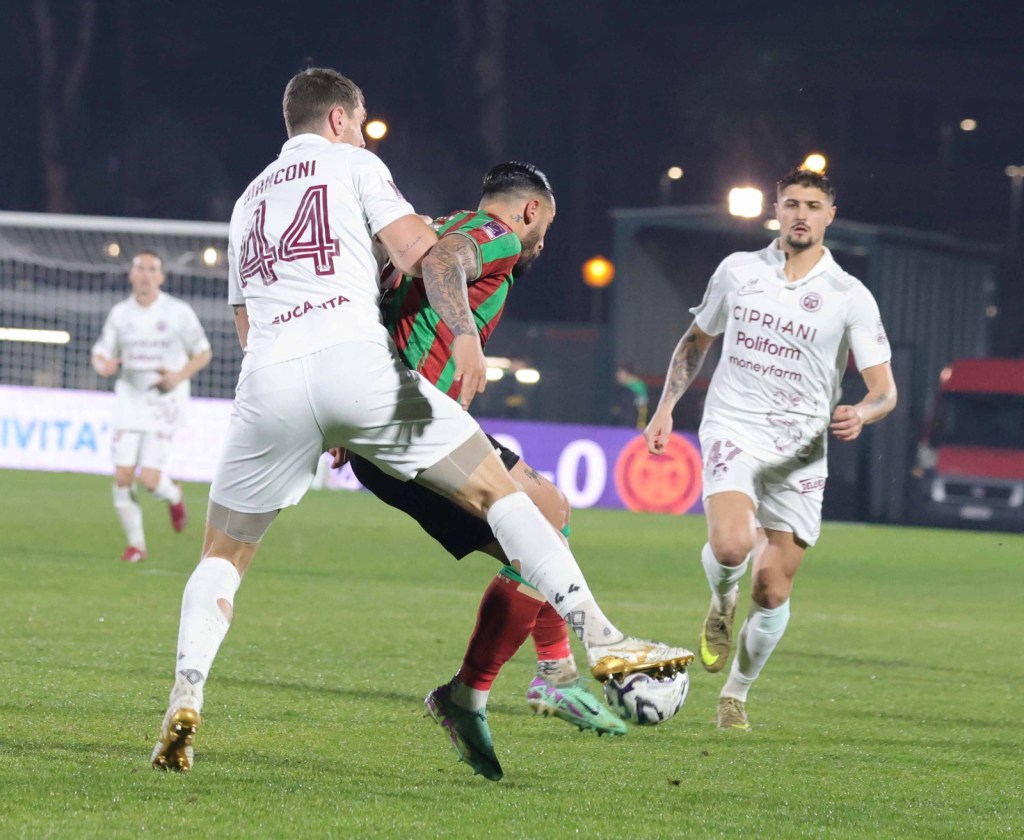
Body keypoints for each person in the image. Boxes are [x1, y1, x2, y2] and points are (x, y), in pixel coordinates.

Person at [150, 67, 692, 778]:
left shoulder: (248, 201)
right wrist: (463, 335)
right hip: (362, 373)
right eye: (363, 115)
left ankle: (185, 698)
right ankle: (596, 642)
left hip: (270, 382)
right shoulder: (357, 165)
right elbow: (428, 256)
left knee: (221, 558)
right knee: (515, 500)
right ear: (342, 119)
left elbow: (248, 329)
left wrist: (321, 417)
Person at [343, 162, 626, 776]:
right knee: (545, 518)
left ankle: (552, 673)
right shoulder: (491, 234)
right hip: (414, 425)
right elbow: (448, 263)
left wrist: (344, 412)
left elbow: (370, 296)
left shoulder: (425, 229)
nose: (543, 243)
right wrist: (466, 337)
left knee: (546, 517)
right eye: (544, 227)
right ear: (528, 212)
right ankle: (474, 692)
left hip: (390, 424)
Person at [644, 168, 897, 731]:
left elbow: (885, 390)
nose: (800, 213)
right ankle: (720, 598)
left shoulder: (849, 295)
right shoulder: (737, 271)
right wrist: (665, 408)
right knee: (733, 545)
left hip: (802, 450)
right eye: (790, 203)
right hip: (734, 427)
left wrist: (863, 410)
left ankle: (735, 693)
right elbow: (696, 341)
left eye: (812, 204)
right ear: (776, 212)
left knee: (773, 585)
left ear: (830, 215)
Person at [91, 251, 212, 563]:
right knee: (122, 476)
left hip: (164, 401)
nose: (145, 275)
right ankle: (137, 546)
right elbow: (101, 352)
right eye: (140, 269)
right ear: (131, 275)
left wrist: (179, 375)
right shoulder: (120, 313)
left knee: (149, 480)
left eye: (152, 269)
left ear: (161, 277)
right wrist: (103, 365)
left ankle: (174, 495)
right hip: (129, 399)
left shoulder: (178, 312)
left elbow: (203, 353)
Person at [612, 362, 649, 429]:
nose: (617, 376)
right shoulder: (622, 389)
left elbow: (642, 407)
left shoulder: (637, 387)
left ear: (626, 373)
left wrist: (641, 424)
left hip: (632, 425)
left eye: (620, 373)